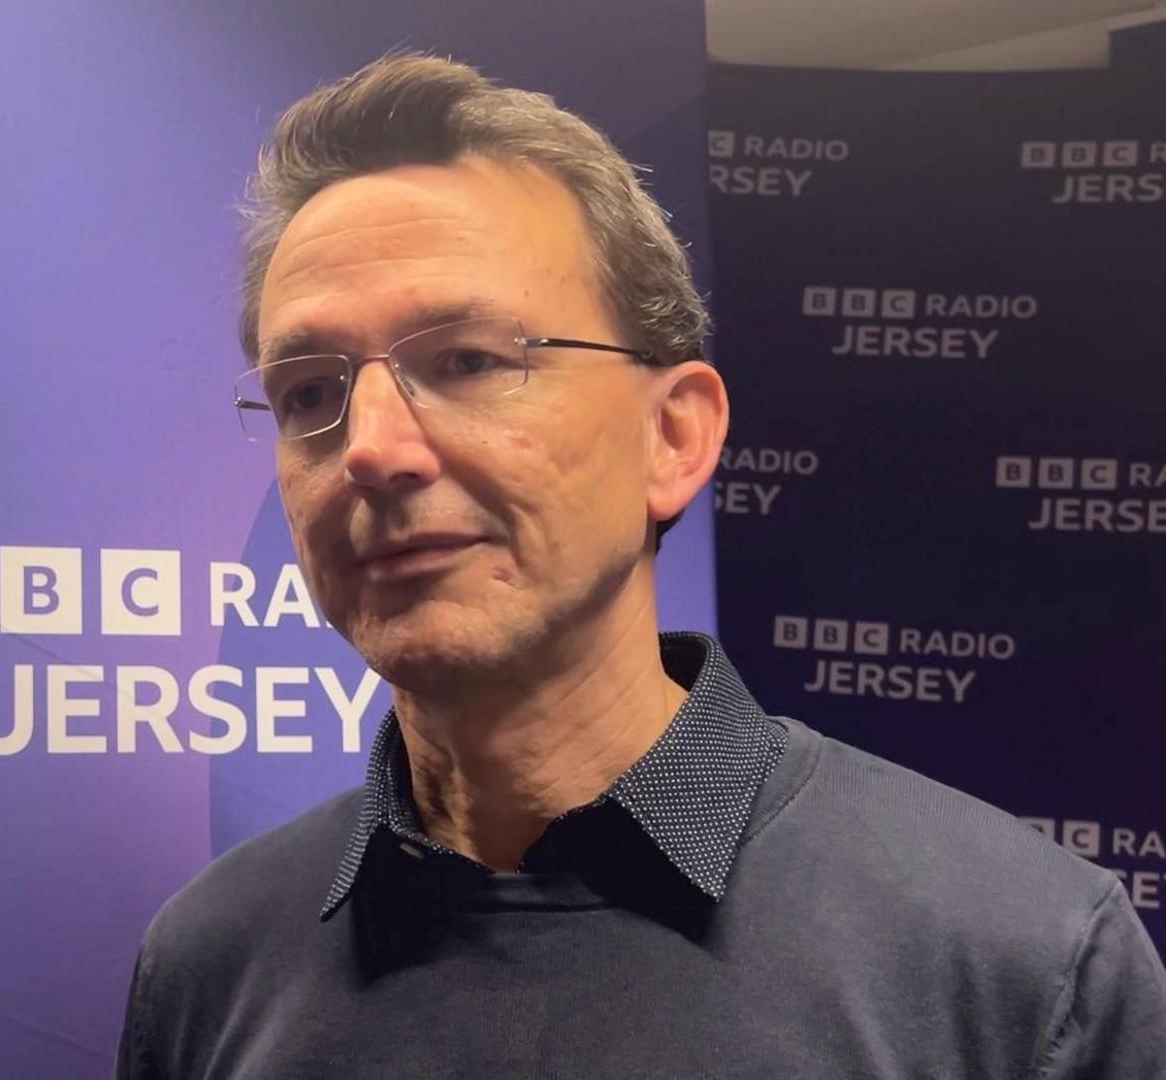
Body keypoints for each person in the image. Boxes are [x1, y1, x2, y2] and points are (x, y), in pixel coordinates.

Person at [114, 53, 1166, 1077]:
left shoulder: (1019, 970)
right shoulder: (211, 963)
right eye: (307, 393)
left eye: (470, 361)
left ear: (673, 438)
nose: (372, 447)